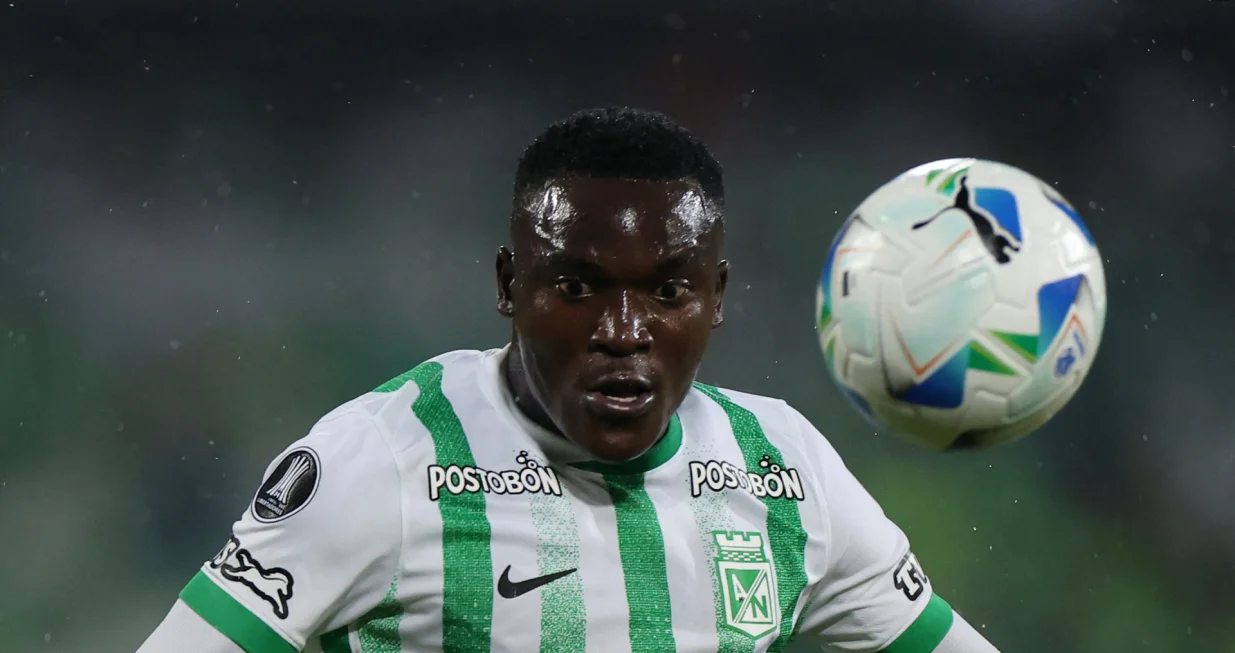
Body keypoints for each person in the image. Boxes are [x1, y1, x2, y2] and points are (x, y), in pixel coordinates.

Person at [136, 107, 1000, 653]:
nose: (623, 334)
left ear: (716, 297)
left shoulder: (782, 467)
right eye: (579, 286)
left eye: (667, 291)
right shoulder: (382, 465)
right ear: (511, 287)